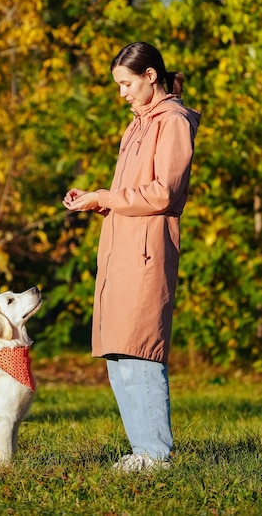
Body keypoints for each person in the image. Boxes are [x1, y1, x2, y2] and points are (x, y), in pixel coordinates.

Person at [63, 42, 201, 472]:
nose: (121, 92)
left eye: (126, 83)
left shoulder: (173, 121)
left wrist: (109, 196)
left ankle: (156, 453)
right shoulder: (136, 126)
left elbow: (164, 192)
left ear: (150, 77)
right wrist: (96, 200)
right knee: (119, 352)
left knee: (141, 351)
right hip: (121, 246)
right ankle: (142, 449)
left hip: (147, 249)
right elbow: (132, 193)